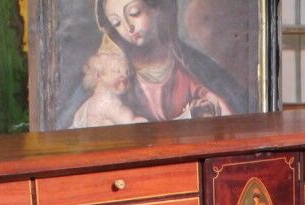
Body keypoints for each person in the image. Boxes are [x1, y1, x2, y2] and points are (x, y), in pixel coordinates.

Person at [75, 0, 250, 127]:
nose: (129, 27)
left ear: (155, 9)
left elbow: (226, 111)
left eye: (134, 13)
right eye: (117, 23)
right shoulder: (112, 73)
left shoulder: (189, 64)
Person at [70, 50, 145, 127]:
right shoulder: (107, 102)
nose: (124, 76)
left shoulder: (91, 102)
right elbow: (131, 123)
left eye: (127, 73)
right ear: (99, 76)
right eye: (117, 71)